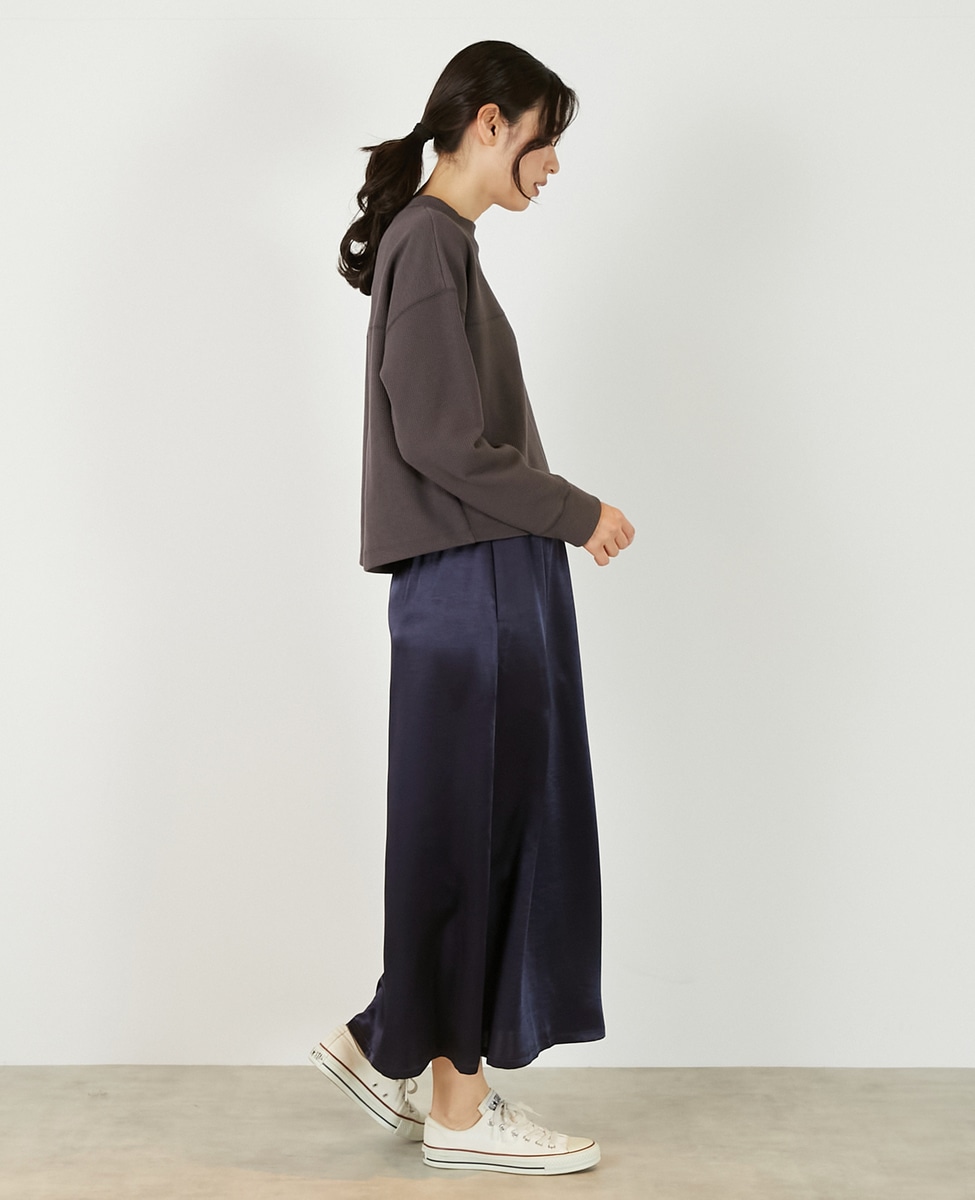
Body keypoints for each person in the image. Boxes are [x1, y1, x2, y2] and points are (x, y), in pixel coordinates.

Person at [309, 39, 634, 1177]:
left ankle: (385, 1043)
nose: (554, 164)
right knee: (480, 836)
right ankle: (457, 1105)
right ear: (490, 122)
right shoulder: (431, 242)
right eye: (547, 138)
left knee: (470, 828)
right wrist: (575, 510)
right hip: (474, 578)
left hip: (477, 579)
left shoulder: (436, 244)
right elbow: (442, 441)